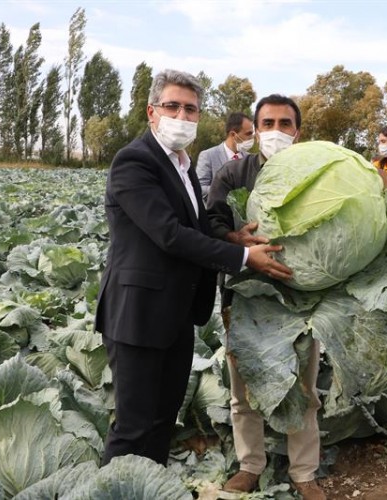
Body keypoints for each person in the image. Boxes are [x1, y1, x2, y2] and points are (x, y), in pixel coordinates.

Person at [94, 70, 291, 467]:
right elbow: (168, 234)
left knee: (163, 421)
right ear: (152, 112)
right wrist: (242, 258)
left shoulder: (182, 165)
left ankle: (149, 489)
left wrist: (232, 238)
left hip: (175, 315)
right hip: (138, 315)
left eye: (191, 109)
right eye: (173, 106)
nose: (182, 115)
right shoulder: (135, 160)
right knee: (133, 429)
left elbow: (194, 227)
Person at [207, 95, 326, 500]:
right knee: (243, 392)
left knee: (306, 389)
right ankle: (250, 464)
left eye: (285, 123)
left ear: (299, 130)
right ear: (255, 129)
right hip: (245, 300)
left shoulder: (316, 172)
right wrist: (234, 240)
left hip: (302, 296)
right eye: (268, 122)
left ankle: (304, 471)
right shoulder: (233, 173)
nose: (276, 130)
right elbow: (211, 223)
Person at [196, 112, 255, 206]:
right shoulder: (208, 156)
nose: (252, 137)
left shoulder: (251, 159)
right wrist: (225, 192)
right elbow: (199, 188)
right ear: (233, 134)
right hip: (217, 215)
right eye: (248, 133)